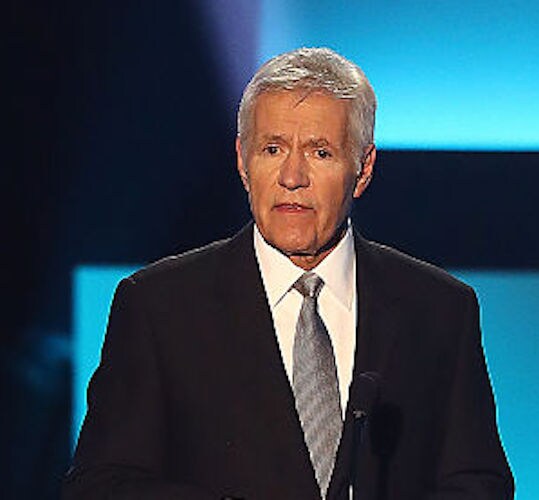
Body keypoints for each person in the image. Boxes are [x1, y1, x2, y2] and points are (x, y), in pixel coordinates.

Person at [63, 47, 514, 499]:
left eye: (320, 152)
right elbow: (101, 486)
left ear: (363, 169)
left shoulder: (438, 309)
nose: (292, 176)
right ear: (243, 162)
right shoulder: (158, 307)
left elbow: (478, 485)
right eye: (273, 149)